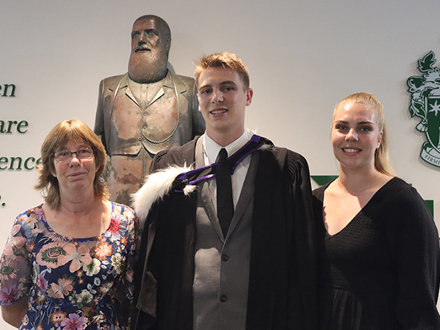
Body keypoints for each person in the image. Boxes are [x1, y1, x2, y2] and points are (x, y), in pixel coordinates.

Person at [132, 52, 318, 330]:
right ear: (198, 101)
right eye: (207, 90)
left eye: (227, 88)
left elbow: (300, 263)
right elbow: (153, 265)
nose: (216, 97)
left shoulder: (284, 170)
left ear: (248, 95)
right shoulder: (171, 169)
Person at [312, 92, 440, 329]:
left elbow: (419, 303)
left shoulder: (403, 203)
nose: (351, 136)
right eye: (342, 127)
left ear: (379, 138)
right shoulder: (311, 202)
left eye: (364, 128)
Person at [0, 120, 139, 329]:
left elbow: (134, 299)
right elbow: (10, 306)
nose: (75, 161)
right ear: (52, 168)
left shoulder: (126, 221)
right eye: (63, 154)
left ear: (98, 161)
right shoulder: (28, 226)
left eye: (84, 151)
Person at [94, 14, 205, 205]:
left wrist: (187, 176)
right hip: (117, 197)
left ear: (167, 42)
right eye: (135, 35)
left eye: (150, 33)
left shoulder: (187, 88)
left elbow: (203, 139)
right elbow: (97, 140)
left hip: (170, 195)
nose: (141, 40)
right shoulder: (109, 88)